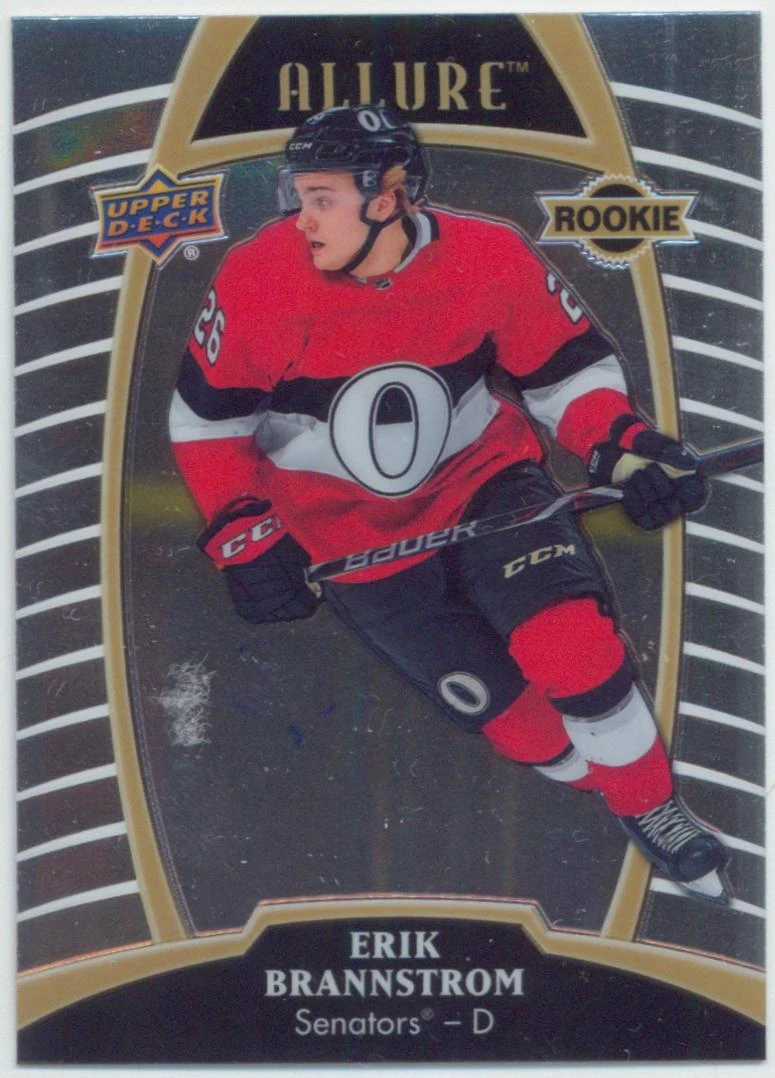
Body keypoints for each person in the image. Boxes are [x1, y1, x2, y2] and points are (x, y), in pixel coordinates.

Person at [169, 104, 729, 904]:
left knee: (572, 651)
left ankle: (653, 809)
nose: (301, 217)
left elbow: (565, 374)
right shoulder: (260, 276)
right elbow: (207, 424)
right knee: (523, 728)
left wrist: (623, 445)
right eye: (297, 194)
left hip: (487, 489)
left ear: (388, 196)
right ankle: (611, 785)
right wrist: (244, 533)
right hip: (347, 542)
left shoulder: (488, 255)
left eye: (322, 198)